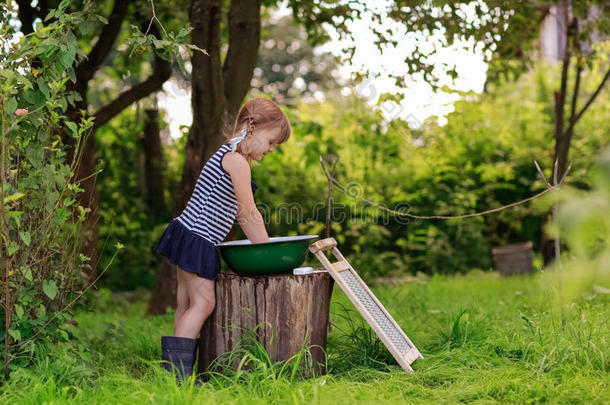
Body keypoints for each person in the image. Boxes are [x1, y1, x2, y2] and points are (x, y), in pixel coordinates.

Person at [154, 97, 291, 384]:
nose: (270, 150)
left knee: (186, 303)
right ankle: (178, 380)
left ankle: (173, 379)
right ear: (251, 129)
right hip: (200, 238)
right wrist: (268, 251)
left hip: (186, 232)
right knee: (203, 303)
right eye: (270, 141)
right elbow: (247, 213)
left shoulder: (225, 153)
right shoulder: (238, 161)